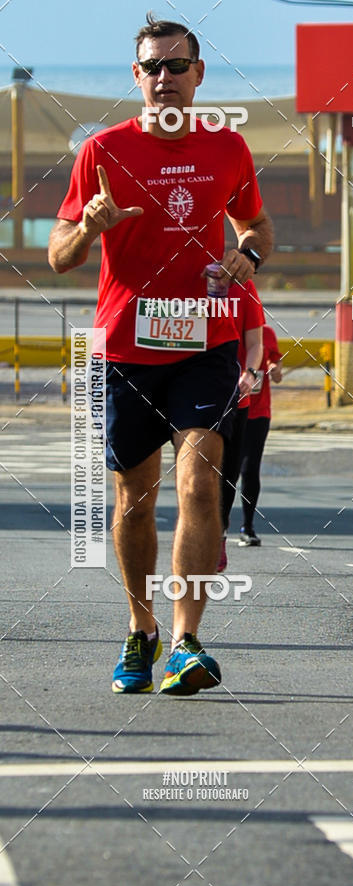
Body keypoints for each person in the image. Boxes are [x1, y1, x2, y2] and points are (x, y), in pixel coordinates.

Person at [48, 13, 273, 696]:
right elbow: (58, 256)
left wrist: (249, 252)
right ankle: (140, 627)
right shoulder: (102, 151)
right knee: (133, 501)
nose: (165, 77)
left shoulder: (228, 146)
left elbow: (257, 224)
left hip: (206, 340)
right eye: (153, 66)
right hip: (126, 348)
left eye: (177, 66)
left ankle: (185, 641)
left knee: (200, 482)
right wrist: (87, 228)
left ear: (198, 74)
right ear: (137, 75)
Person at [217, 281, 265, 572]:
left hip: (236, 399)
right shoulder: (190, 275)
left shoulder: (244, 287)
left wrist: (249, 372)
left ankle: (220, 533)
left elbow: (256, 343)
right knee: (197, 473)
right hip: (195, 393)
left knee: (228, 474)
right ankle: (198, 535)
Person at [237, 325, 283, 547]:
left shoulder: (268, 333)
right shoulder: (225, 325)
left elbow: (276, 365)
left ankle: (248, 527)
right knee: (226, 470)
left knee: (250, 469)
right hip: (229, 410)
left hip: (258, 411)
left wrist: (275, 369)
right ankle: (218, 527)